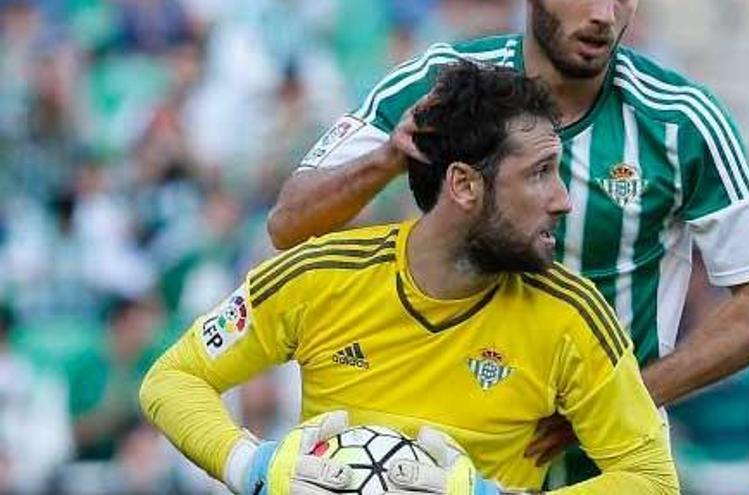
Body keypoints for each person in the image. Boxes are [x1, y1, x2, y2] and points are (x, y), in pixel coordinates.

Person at [265, 0, 749, 484]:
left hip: (606, 465)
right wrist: (384, 159)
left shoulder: (682, 120)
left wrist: (620, 397)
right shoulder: (445, 83)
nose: (604, 16)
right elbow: (289, 222)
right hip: (450, 449)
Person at [140, 62, 679, 495]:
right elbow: (172, 379)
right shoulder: (320, 275)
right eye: (540, 173)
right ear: (465, 186)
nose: (563, 200)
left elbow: (652, 478)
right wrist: (251, 467)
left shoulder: (573, 316)